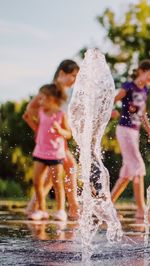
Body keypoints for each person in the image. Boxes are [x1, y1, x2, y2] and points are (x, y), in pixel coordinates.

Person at [23, 60, 80, 220]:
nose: (75, 79)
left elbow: (66, 114)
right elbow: (30, 108)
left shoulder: (66, 92)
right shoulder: (50, 91)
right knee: (69, 167)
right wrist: (39, 128)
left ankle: (34, 206)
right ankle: (73, 207)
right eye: (73, 76)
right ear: (62, 73)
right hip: (51, 140)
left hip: (59, 138)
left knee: (54, 175)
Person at [110, 59, 150, 219]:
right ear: (141, 71)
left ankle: (106, 207)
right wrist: (111, 110)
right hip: (124, 130)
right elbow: (112, 100)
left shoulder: (144, 89)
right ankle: (141, 211)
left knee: (127, 174)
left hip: (134, 132)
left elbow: (142, 114)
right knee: (138, 167)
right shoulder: (128, 87)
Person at [26, 84, 71, 221]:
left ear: (51, 99)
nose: (40, 102)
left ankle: (61, 210)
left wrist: (60, 131)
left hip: (55, 154)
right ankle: (41, 209)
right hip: (40, 151)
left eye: (42, 99)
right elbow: (39, 129)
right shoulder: (41, 112)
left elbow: (68, 134)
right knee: (37, 182)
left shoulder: (61, 115)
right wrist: (29, 122)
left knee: (57, 182)